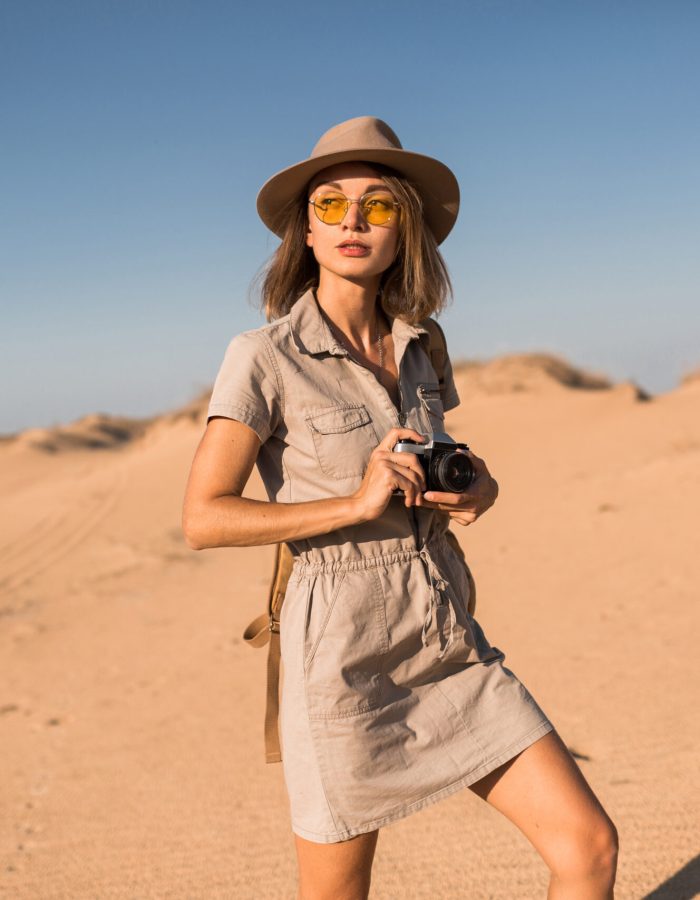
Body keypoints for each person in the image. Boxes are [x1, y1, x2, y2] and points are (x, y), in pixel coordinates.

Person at [182, 116, 618, 899]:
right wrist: (352, 503)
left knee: (589, 847)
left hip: (448, 633)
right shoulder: (263, 358)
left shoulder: (426, 348)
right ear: (304, 233)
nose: (354, 221)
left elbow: (441, 477)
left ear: (404, 231)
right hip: (340, 653)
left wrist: (479, 488)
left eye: (379, 206)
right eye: (331, 205)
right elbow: (204, 517)